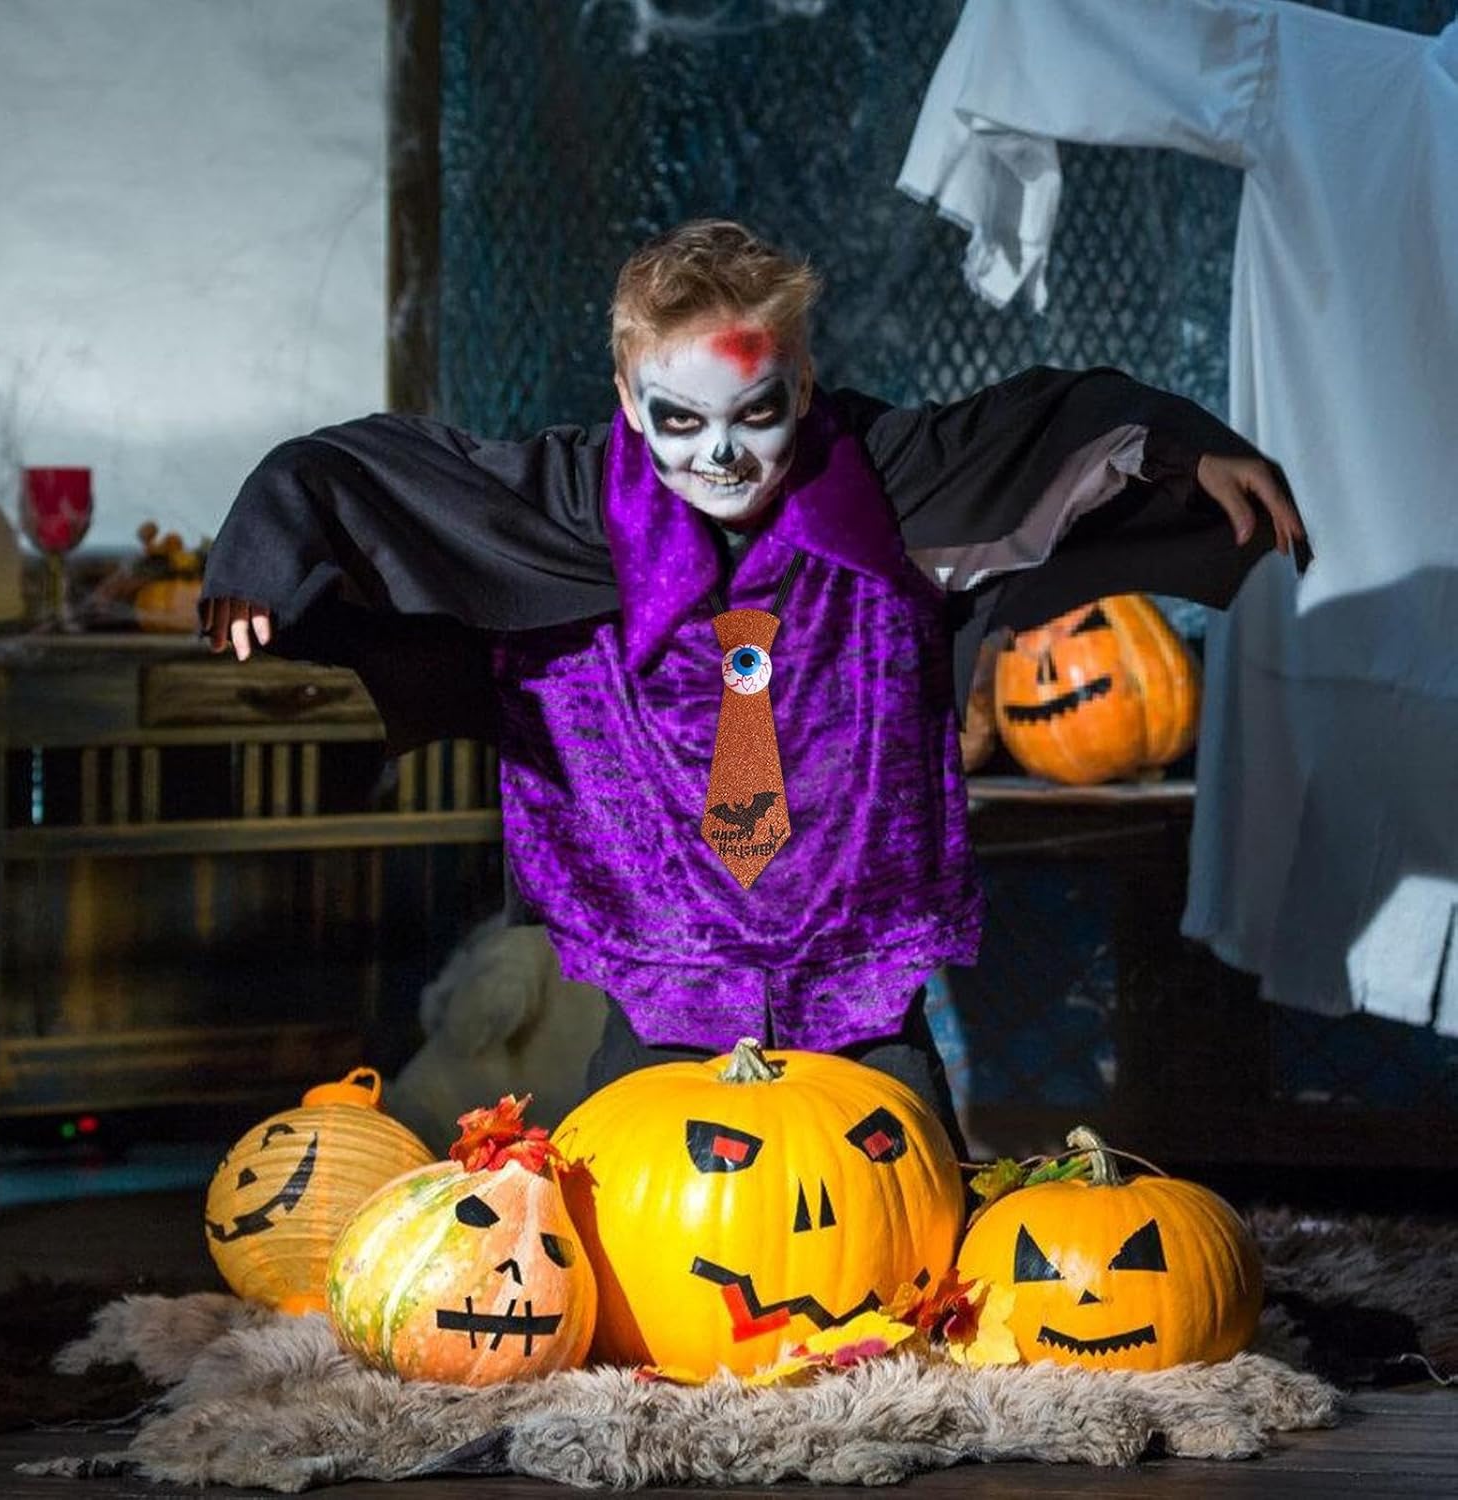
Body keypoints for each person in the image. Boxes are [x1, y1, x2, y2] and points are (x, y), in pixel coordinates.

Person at [202, 219, 1305, 1153]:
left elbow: (1047, 420)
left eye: (756, 413)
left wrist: (1180, 447)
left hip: (854, 938)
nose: (720, 455)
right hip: (667, 949)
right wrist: (265, 544)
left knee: (909, 1203)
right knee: (628, 1208)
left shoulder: (884, 474)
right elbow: (385, 474)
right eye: (680, 420)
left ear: (803, 386)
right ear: (628, 398)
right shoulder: (578, 497)